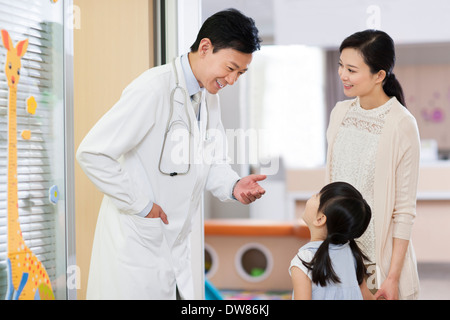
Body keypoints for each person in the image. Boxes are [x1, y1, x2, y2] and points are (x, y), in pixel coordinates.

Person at [76, 8, 266, 300]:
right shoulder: (153, 88)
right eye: (230, 68)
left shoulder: (208, 97)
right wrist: (141, 205)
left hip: (173, 246)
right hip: (136, 245)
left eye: (240, 73)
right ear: (205, 48)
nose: (232, 80)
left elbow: (212, 160)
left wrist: (233, 185)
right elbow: (92, 152)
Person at [326, 30, 420, 299]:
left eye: (352, 69)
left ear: (379, 75)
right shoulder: (339, 114)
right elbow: (330, 189)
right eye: (341, 66)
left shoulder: (402, 124)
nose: (343, 75)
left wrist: (392, 277)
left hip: (382, 266)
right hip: (340, 257)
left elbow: (403, 211)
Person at [290, 182, 374, 300]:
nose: (313, 195)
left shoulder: (303, 261)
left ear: (320, 219)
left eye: (318, 195)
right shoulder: (351, 253)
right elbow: (368, 298)